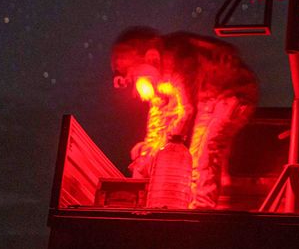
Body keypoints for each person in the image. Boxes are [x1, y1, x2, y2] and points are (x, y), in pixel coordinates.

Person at [111, 27, 259, 209]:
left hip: (234, 92)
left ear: (150, 56)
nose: (137, 81)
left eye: (135, 73)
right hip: (207, 98)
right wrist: (147, 154)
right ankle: (198, 206)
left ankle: (202, 210)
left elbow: (186, 110)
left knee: (207, 150)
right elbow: (159, 117)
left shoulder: (178, 58)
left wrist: (162, 152)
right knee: (196, 155)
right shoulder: (154, 75)